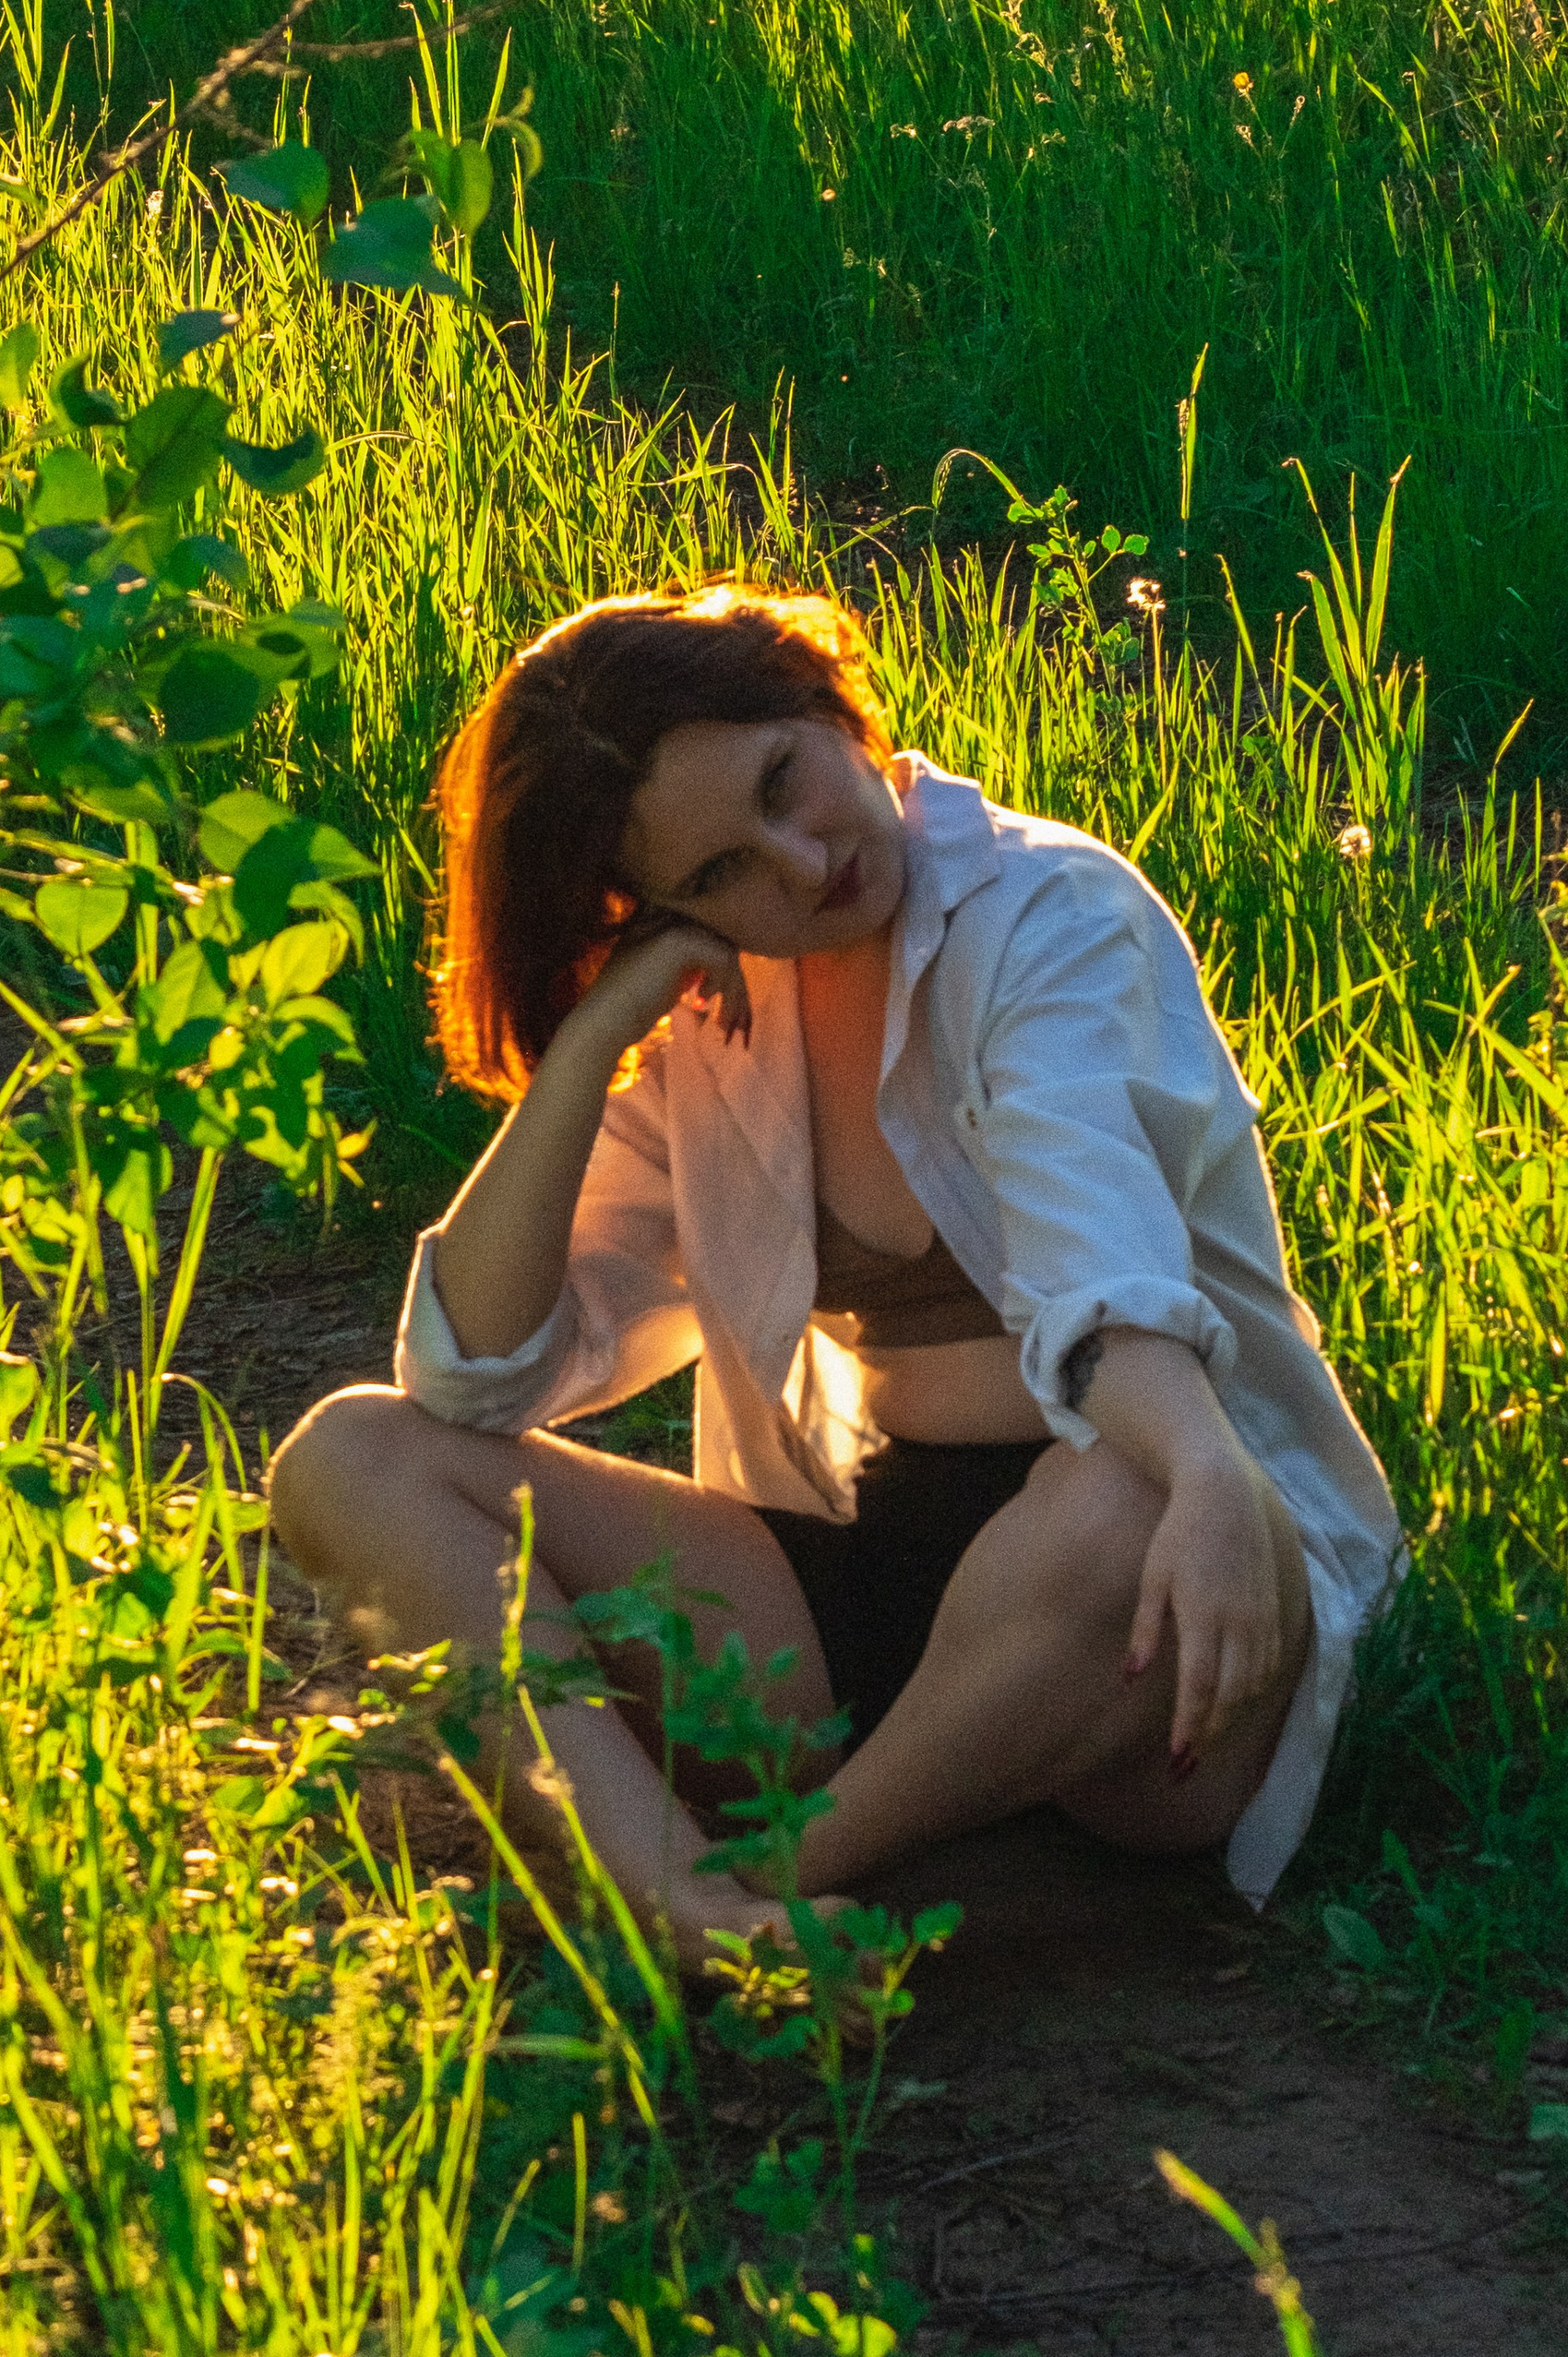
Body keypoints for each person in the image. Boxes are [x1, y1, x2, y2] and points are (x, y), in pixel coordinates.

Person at [269, 585, 1402, 1966]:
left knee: (1120, 1497)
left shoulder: (1042, 911)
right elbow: (473, 1371)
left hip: (1143, 1582)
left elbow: (1098, 1271)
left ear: (817, 699)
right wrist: (597, 1039)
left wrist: (1216, 1479)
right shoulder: (710, 1009)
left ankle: (780, 1880)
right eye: (720, 873)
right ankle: (673, 1893)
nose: (800, 865)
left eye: (782, 784)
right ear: (659, 909)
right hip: (853, 1568)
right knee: (356, 1459)